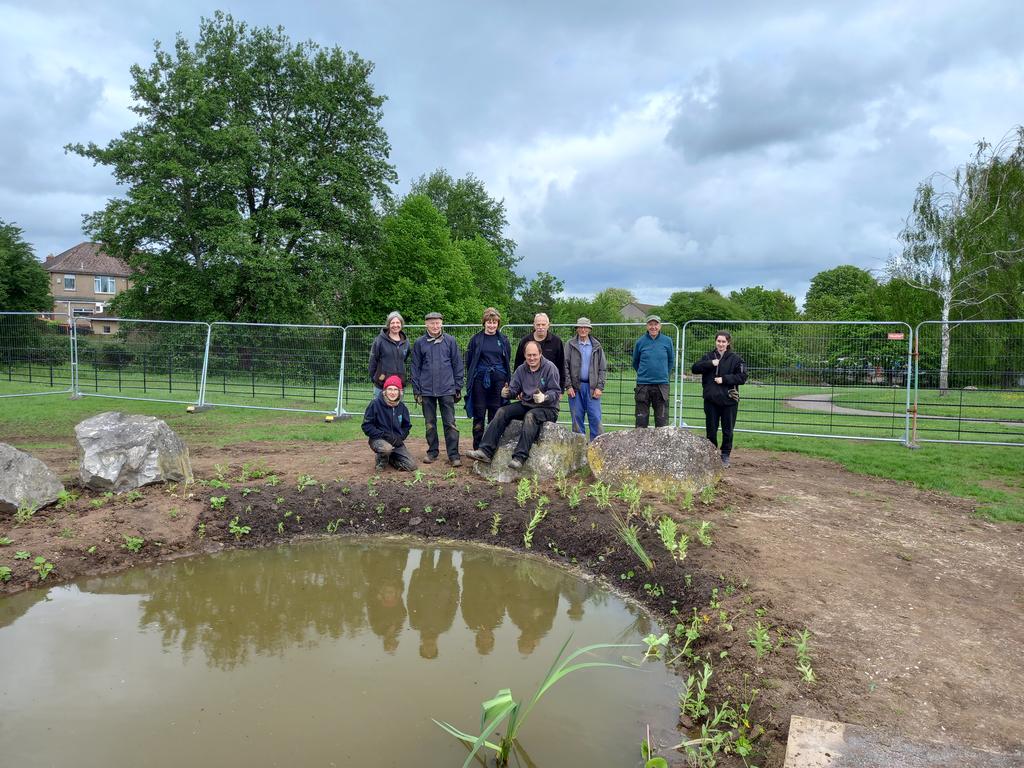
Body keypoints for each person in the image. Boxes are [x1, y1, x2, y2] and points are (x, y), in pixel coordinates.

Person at [466, 340, 561, 470]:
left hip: (548, 408)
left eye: (534, 355)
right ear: (525, 355)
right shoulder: (521, 369)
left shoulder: (550, 368)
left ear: (540, 354)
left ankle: (519, 457)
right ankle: (485, 451)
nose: (532, 358)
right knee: (502, 411)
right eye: (529, 355)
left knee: (530, 416)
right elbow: (514, 390)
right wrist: (507, 392)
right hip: (528, 403)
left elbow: (556, 391)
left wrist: (545, 397)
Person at [411, 311, 464, 466]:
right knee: (430, 423)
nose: (435, 326)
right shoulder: (420, 343)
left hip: (447, 389)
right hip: (426, 390)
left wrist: (458, 386)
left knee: (450, 423)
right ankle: (432, 452)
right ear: (426, 324)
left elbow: (457, 364)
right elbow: (415, 368)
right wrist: (416, 390)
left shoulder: (450, 341)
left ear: (442, 323)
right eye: (432, 323)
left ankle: (453, 455)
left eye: (438, 323)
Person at [691, 330, 748, 467]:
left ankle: (725, 455)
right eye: (718, 341)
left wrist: (724, 379)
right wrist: (710, 363)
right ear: (715, 342)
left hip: (729, 400)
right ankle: (711, 453)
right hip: (711, 400)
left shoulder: (736, 359)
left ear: (728, 343)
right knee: (711, 429)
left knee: (728, 429)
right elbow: (694, 368)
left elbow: (742, 377)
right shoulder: (709, 356)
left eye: (723, 341)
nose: (721, 344)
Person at [464, 307, 512, 450]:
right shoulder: (476, 340)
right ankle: (477, 447)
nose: (492, 325)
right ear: (484, 322)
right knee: (479, 414)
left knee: (495, 414)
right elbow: (470, 360)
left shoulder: (503, 340)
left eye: (495, 322)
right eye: (489, 322)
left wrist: (507, 381)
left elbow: (507, 361)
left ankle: (491, 447)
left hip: (498, 381)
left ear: (498, 323)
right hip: (480, 381)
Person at [563, 317, 607, 441]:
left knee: (595, 418)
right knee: (577, 419)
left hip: (592, 388)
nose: (583, 329)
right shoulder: (570, 344)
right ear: (577, 329)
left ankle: (597, 449)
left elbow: (602, 368)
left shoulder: (597, 346)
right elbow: (564, 366)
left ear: (589, 329)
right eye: (580, 327)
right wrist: (568, 386)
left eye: (585, 327)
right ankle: (580, 449)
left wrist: (599, 387)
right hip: (575, 388)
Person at [361, 375, 416, 471]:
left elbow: (407, 426)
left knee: (411, 466)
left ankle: (390, 459)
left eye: (395, 390)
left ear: (400, 392)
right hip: (379, 439)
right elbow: (366, 426)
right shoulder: (375, 404)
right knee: (386, 449)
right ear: (385, 391)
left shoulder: (402, 407)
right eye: (390, 389)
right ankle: (381, 460)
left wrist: (400, 437)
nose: (392, 392)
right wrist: (384, 435)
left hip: (396, 441)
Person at [632, 314, 675, 428]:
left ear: (660, 326)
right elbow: (635, 362)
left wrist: (663, 374)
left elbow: (671, 361)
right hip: (643, 384)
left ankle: (661, 445)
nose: (653, 327)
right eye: (650, 324)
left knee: (661, 420)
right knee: (641, 420)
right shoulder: (640, 342)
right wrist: (645, 374)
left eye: (656, 324)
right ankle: (640, 445)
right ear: (647, 326)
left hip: (662, 384)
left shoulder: (667, 341)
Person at [513, 312, 565, 387]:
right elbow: (518, 364)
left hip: (550, 386)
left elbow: (561, 365)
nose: (540, 327)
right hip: (528, 386)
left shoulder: (557, 342)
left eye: (543, 324)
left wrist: (561, 388)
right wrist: (517, 387)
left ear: (548, 325)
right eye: (538, 324)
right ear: (534, 325)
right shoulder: (524, 341)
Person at [368, 311, 410, 396]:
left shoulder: (406, 342)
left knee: (397, 409)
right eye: (392, 323)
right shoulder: (379, 340)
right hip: (381, 385)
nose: (395, 325)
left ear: (401, 324)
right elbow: (373, 360)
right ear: (388, 325)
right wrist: (375, 379)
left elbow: (404, 359)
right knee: (379, 409)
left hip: (399, 385)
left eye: (398, 322)